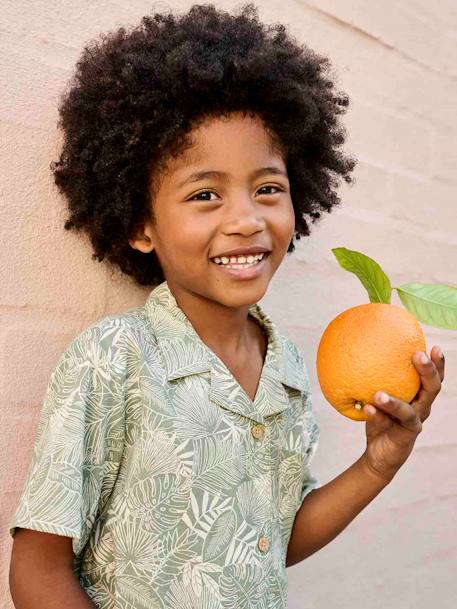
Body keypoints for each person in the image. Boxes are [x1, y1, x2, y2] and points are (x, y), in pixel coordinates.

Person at [8, 3, 445, 608]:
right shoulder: (113, 359)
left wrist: (378, 463)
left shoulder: (289, 367)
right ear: (140, 225)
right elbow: (38, 572)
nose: (246, 220)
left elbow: (272, 539)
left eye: (268, 188)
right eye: (205, 194)